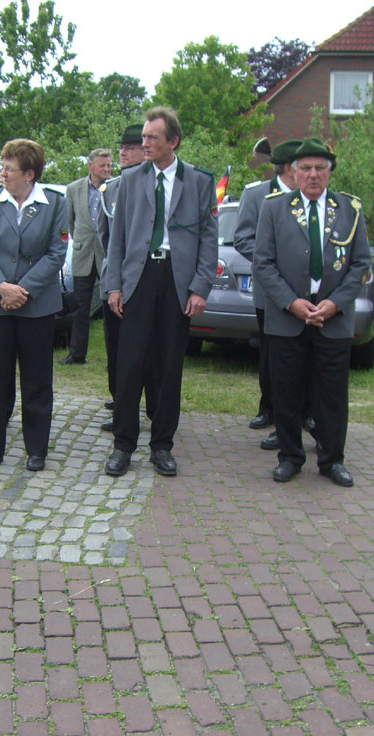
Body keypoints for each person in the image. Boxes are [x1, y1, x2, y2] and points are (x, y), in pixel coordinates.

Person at [102, 107, 218, 477]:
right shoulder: (130, 179)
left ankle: (162, 445)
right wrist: (114, 285)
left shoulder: (198, 181)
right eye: (144, 137)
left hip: (177, 281)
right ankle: (123, 445)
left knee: (169, 366)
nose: (145, 143)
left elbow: (209, 239)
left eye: (152, 137)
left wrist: (200, 287)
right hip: (138, 278)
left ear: (173, 141)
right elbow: (117, 237)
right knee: (129, 364)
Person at [254, 138, 370, 486]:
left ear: (330, 171)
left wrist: (335, 304)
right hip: (287, 318)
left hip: (333, 319)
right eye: (305, 168)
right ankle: (290, 457)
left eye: (320, 168)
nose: (313, 175)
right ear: (293, 172)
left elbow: (360, 264)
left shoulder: (350, 209)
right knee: (286, 392)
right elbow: (263, 263)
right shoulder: (274, 208)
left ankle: (332, 460)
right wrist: (292, 303)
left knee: (332, 395)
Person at [0, 139, 67, 472]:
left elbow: (56, 253)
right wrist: (1, 286)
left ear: (29, 174)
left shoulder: (54, 203)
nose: (2, 173)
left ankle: (36, 449)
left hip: (36, 305)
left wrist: (22, 290)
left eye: (9, 169)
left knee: (37, 379)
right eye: (2, 167)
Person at [234, 138, 303, 451]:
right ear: (288, 168)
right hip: (270, 291)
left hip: (306, 293)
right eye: (303, 165)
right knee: (272, 355)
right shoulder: (256, 195)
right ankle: (270, 409)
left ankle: (306, 413)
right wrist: (272, 263)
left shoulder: (311, 197)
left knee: (304, 354)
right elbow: (243, 239)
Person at [95, 126, 159, 433]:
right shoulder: (111, 189)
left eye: (130, 147)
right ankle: (121, 406)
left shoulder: (159, 186)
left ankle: (156, 408)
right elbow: (106, 237)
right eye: (122, 147)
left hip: (151, 281)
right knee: (118, 350)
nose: (123, 152)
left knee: (153, 351)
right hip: (118, 280)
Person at [62, 148, 111, 365]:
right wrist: (81, 240)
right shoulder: (73, 189)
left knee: (110, 306)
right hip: (83, 254)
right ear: (91, 166)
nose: (107, 169)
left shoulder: (115, 188)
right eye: (102, 165)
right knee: (80, 308)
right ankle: (77, 354)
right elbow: (69, 222)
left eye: (109, 165)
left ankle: (114, 356)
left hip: (107, 254)